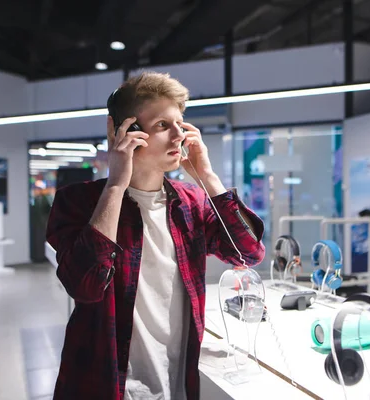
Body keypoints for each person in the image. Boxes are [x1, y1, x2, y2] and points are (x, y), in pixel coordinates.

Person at [46, 71, 266, 400]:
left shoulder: (190, 202)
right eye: (163, 125)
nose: (179, 136)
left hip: (176, 382)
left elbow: (247, 253)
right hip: (107, 385)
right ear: (120, 131)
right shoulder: (77, 202)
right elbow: (85, 286)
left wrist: (208, 177)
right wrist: (117, 184)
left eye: (181, 123)